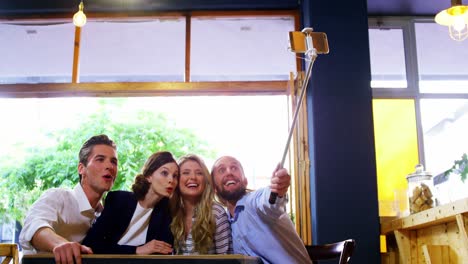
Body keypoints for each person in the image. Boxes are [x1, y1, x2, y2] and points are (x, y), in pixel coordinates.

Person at [19, 134, 118, 264]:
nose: (110, 166)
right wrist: (61, 244)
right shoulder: (58, 197)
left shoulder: (105, 215)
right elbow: (34, 226)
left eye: (113, 162)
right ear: (81, 169)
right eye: (100, 159)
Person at [211, 156, 311, 264]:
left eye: (234, 168)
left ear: (245, 181)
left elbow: (270, 202)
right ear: (215, 188)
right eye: (222, 170)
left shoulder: (254, 200)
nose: (229, 172)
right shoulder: (225, 224)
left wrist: (277, 190)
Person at [82, 151, 178, 255]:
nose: (171, 180)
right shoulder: (119, 200)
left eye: (175, 176)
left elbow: (164, 252)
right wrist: (137, 250)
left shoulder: (166, 210)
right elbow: (91, 245)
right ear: (148, 176)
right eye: (164, 173)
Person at [170, 154, 232, 255]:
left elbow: (225, 258)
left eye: (199, 173)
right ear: (176, 180)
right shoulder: (172, 212)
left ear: (205, 180)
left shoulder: (216, 213)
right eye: (186, 173)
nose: (193, 177)